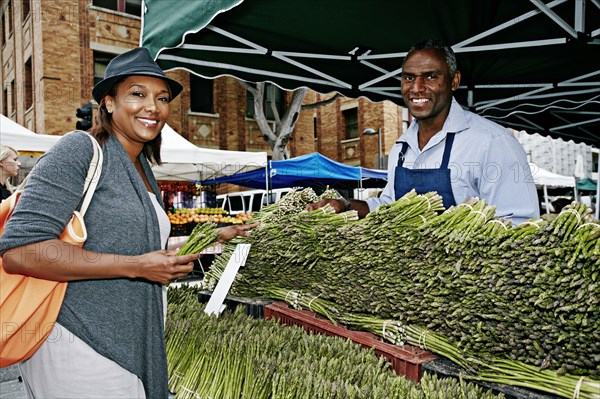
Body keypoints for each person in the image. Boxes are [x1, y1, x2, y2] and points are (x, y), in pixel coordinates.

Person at [0, 47, 257, 398]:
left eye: (162, 98)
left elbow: (144, 251)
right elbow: (21, 251)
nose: (153, 106)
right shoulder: (80, 149)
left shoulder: (143, 171)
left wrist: (212, 237)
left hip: (131, 341)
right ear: (108, 102)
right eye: (137, 94)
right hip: (79, 343)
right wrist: (137, 267)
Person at [309, 39, 539, 225]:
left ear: (454, 81)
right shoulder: (401, 147)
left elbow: (521, 224)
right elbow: (389, 208)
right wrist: (347, 206)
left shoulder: (493, 142)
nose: (417, 88)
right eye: (409, 77)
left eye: (430, 76)